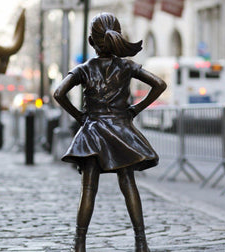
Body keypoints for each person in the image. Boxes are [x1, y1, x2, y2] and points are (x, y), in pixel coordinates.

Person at [53, 13, 166, 252]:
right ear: (116, 38)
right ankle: (141, 242)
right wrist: (134, 110)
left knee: (88, 189)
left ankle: (79, 244)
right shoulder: (126, 66)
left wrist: (80, 116)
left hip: (92, 131)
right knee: (128, 183)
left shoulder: (84, 68)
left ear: (91, 41)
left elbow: (58, 93)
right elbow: (159, 84)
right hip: (121, 130)